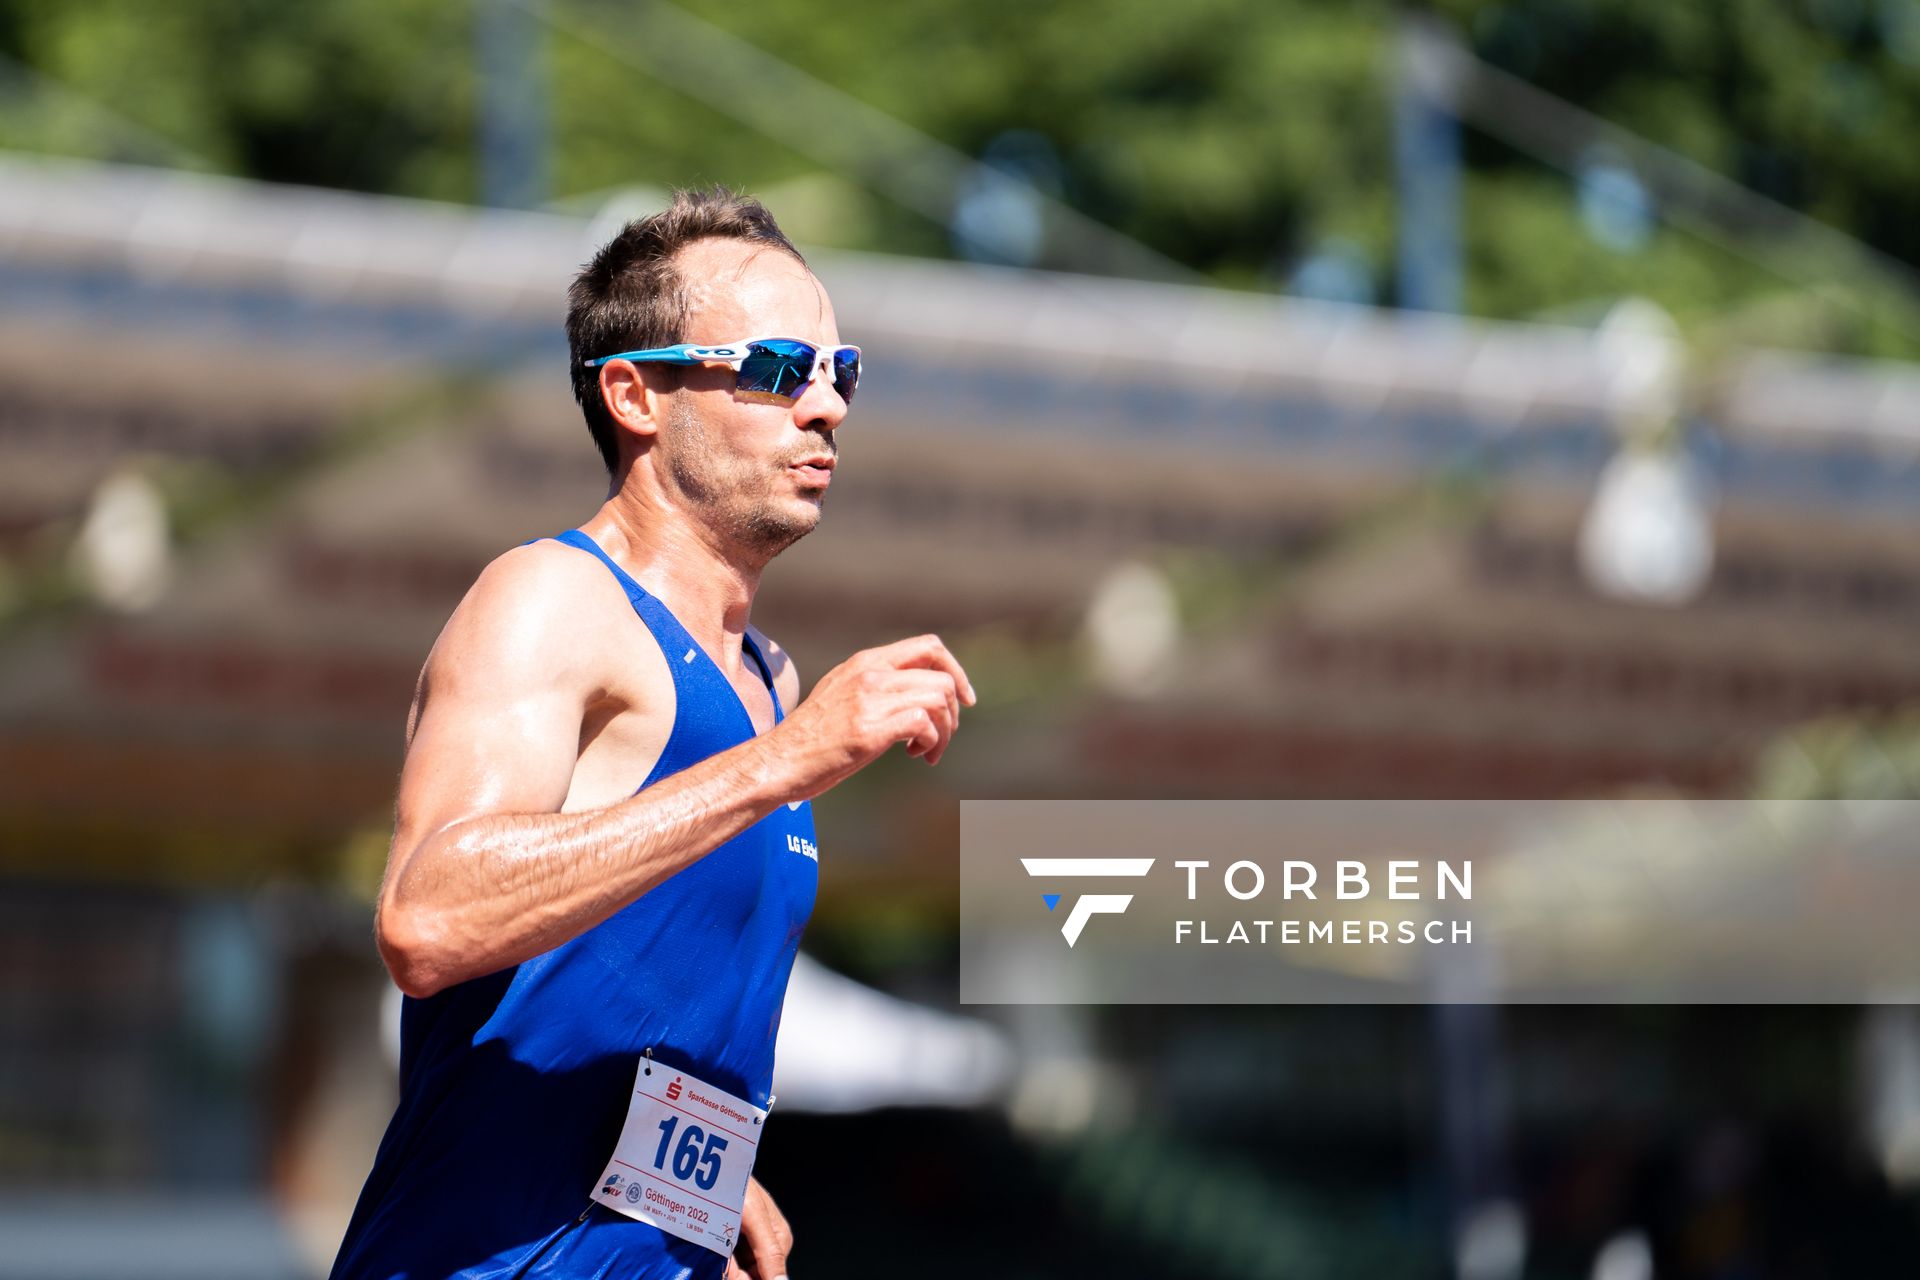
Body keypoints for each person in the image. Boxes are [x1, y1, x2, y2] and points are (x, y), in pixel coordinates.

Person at [331, 187, 974, 1280]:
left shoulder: (771, 681)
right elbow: (426, 916)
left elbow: (622, 996)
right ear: (635, 394)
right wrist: (781, 763)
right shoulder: (552, 600)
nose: (825, 407)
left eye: (841, 372)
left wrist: (697, 1184)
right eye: (777, 368)